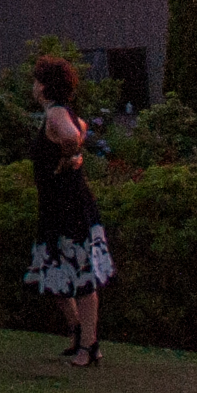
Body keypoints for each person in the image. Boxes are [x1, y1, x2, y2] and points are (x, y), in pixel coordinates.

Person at [25, 55, 115, 367]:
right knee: (55, 271)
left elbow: (71, 135)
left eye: (37, 80)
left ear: (46, 86)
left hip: (69, 204)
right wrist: (72, 158)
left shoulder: (56, 115)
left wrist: (71, 155)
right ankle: (78, 331)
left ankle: (89, 346)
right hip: (58, 203)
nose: (34, 86)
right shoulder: (58, 113)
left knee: (82, 274)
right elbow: (80, 130)